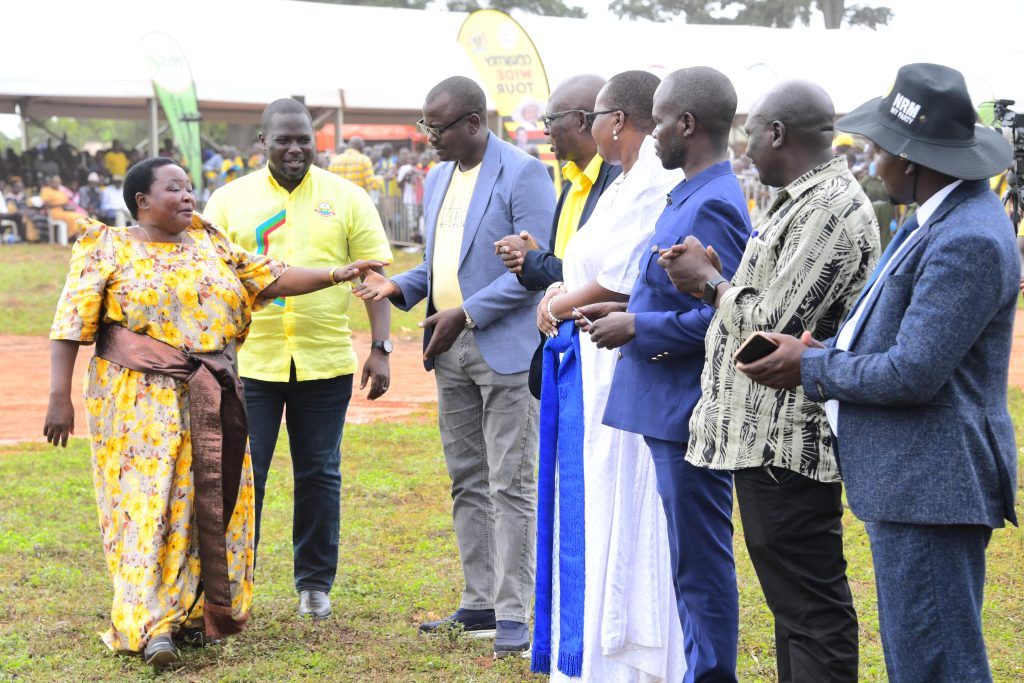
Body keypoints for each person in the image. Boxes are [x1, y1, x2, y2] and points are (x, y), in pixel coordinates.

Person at [42, 157, 383, 668]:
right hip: (138, 401)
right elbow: (71, 325)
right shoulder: (106, 247)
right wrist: (57, 397)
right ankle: (152, 625)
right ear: (142, 202)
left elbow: (272, 277)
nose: (187, 196)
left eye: (188, 186)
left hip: (213, 394)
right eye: (173, 189)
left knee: (214, 497)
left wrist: (338, 273)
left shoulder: (209, 240)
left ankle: (199, 611)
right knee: (152, 505)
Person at [737, 63, 1017, 683]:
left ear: (911, 159)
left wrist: (812, 365)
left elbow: (914, 372)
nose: (871, 161)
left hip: (933, 486)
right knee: (919, 655)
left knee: (936, 663)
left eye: (878, 149)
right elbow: (893, 335)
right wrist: (826, 346)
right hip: (916, 483)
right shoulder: (938, 218)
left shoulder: (967, 237)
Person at [658, 80, 879, 683]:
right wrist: (721, 276)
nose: (745, 147)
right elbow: (777, 302)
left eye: (750, 133)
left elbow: (771, 329)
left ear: (777, 133)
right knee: (794, 611)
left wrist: (709, 282)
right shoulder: (801, 201)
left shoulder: (830, 206)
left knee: (811, 612)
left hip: (787, 444)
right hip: (764, 443)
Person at [353, 75, 555, 658]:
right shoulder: (439, 176)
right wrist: (400, 284)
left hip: (506, 348)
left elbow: (533, 269)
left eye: (435, 128)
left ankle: (515, 615)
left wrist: (465, 314)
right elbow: (442, 262)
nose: (427, 139)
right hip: (450, 347)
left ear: (472, 123)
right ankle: (479, 603)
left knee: (509, 483)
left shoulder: (522, 172)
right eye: (424, 126)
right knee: (466, 479)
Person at [574, 67, 751, 683]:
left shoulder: (717, 202)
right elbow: (684, 299)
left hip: (687, 411)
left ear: (687, 124)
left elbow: (730, 321)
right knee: (685, 564)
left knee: (700, 567)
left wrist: (638, 329)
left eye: (661, 120)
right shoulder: (690, 193)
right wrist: (625, 310)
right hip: (664, 404)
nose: (651, 137)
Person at [202, 98, 394, 622]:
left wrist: (380, 348)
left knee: (319, 473)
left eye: (303, 139)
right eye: (283, 139)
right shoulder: (227, 200)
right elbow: (210, 278)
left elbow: (375, 277)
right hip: (250, 365)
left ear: (316, 142)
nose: (294, 149)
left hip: (325, 361)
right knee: (244, 476)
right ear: (262, 143)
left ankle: (314, 584)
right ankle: (234, 584)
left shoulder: (348, 198)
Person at [529, 70, 686, 682]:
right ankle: (589, 655)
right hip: (589, 367)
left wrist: (555, 304)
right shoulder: (622, 182)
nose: (588, 127)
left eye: (593, 115)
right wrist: (561, 296)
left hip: (620, 365)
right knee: (591, 507)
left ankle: (625, 661)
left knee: (619, 511)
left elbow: (622, 279)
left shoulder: (652, 179)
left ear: (617, 119)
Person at [495, 74, 621, 398]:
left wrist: (534, 261)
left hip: (597, 355)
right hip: (562, 350)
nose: (545, 130)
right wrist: (532, 257)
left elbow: (597, 276)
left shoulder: (618, 185)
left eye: (550, 120)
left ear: (581, 121)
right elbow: (563, 268)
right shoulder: (571, 180)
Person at [40, 174, 87, 239]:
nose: (57, 183)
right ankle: (72, 236)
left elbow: (66, 202)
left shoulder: (60, 191)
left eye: (58, 182)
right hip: (54, 213)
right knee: (73, 218)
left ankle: (79, 236)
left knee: (80, 216)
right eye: (55, 181)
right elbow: (45, 204)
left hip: (63, 211)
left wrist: (69, 207)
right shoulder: (46, 190)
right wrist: (59, 204)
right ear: (51, 182)